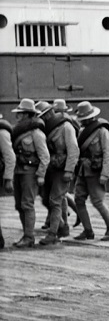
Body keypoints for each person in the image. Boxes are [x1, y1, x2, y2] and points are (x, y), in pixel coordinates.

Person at [71, 101, 109, 240]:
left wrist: (105, 173)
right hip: (82, 171)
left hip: (95, 171)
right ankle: (87, 230)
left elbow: (108, 153)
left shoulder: (102, 131)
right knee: (79, 199)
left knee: (97, 201)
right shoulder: (82, 131)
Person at [9, 99, 49, 248]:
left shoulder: (36, 133)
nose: (17, 116)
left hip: (30, 173)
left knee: (27, 204)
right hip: (18, 171)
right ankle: (26, 234)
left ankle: (29, 236)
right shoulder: (19, 131)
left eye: (20, 113)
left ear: (27, 114)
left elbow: (45, 157)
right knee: (19, 205)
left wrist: (41, 175)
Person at [38, 99, 78, 244]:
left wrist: (69, 170)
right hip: (52, 169)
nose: (41, 119)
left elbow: (73, 150)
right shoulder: (46, 129)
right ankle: (63, 226)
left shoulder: (66, 127)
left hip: (62, 170)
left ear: (49, 114)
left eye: (43, 115)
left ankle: (53, 233)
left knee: (55, 200)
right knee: (56, 199)